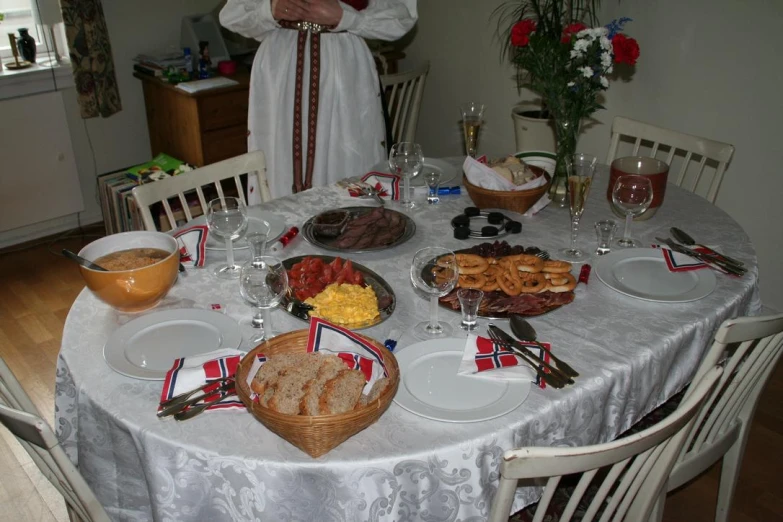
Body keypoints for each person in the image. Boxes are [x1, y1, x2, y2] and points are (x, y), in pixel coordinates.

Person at [220, 0, 418, 203]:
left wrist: (346, 17)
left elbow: (402, 17)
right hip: (280, 72)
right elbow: (231, 14)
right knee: (277, 165)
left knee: (347, 160)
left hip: (343, 70)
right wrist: (268, 9)